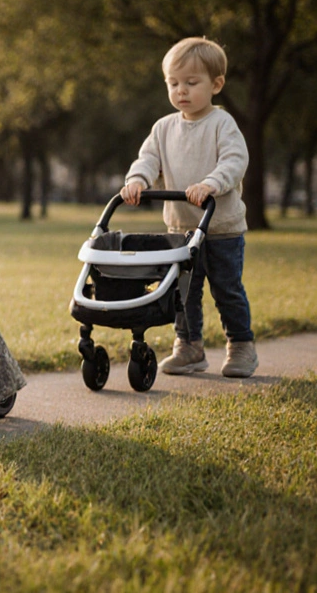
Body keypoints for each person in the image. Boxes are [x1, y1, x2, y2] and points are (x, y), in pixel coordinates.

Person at [119, 36, 256, 378]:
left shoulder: (222, 124)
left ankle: (241, 346)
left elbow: (235, 160)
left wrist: (211, 183)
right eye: (174, 83)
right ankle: (189, 347)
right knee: (183, 294)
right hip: (180, 231)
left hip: (221, 229)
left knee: (227, 290)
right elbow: (148, 159)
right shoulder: (164, 128)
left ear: (216, 84)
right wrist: (138, 180)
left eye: (191, 83)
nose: (181, 90)